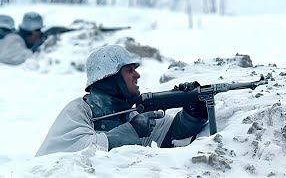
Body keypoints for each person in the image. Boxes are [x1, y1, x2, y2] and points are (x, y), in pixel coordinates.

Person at [35, 45, 208, 157]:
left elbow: (171, 132)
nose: (137, 75)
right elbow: (71, 155)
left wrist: (193, 112)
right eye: (129, 70)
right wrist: (132, 130)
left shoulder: (131, 113)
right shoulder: (78, 111)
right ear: (109, 79)